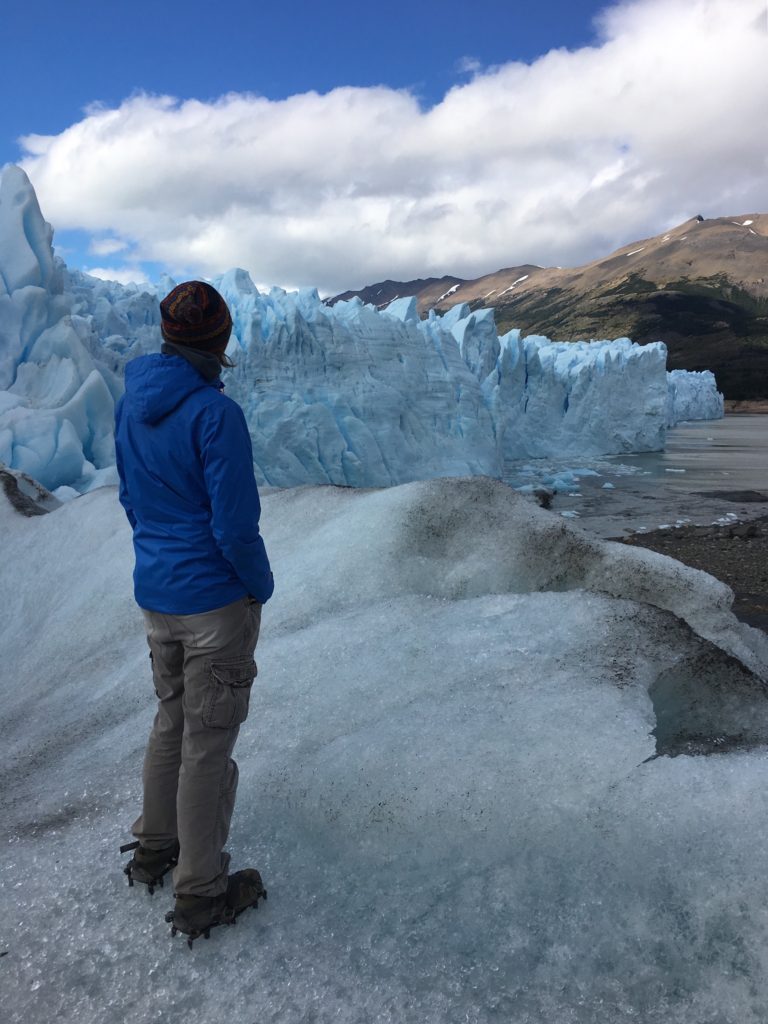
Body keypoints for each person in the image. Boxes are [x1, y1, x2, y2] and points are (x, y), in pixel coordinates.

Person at [114, 280, 274, 944]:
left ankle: (156, 848)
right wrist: (257, 585)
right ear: (220, 338)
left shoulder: (131, 405)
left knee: (172, 721)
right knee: (208, 744)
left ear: (167, 333)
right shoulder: (215, 413)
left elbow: (129, 496)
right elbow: (235, 525)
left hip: (157, 593)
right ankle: (202, 890)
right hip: (213, 600)